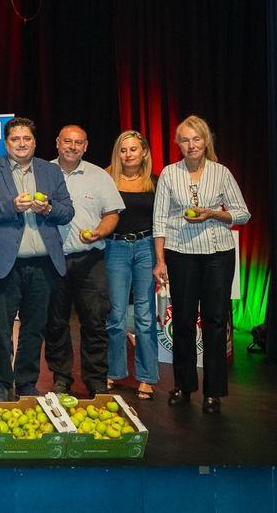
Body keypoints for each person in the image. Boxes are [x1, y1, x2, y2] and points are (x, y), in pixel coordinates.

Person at [153, 115, 250, 414]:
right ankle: (183, 386)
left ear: (206, 141)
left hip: (218, 255)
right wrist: (160, 260)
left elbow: (243, 214)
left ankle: (214, 392)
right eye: (185, 139)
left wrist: (213, 214)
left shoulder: (221, 173)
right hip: (180, 254)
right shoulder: (169, 173)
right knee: (182, 321)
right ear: (177, 144)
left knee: (215, 322)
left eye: (196, 139)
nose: (191, 144)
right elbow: (159, 220)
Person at [0, 117, 74, 401]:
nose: (21, 144)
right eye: (15, 139)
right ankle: (0, 381)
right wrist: (11, 207)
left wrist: (48, 208)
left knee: (35, 327)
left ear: (35, 142)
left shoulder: (50, 171)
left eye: (26, 139)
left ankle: (27, 381)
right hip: (6, 263)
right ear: (6, 143)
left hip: (44, 264)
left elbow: (67, 211)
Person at [45, 125, 123, 397]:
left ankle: (96, 379)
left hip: (91, 260)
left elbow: (112, 214)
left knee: (95, 321)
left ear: (86, 146)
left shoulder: (99, 176)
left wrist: (100, 231)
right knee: (55, 323)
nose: (72, 147)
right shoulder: (43, 172)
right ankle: (61, 377)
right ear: (57, 142)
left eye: (78, 143)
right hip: (53, 260)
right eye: (67, 141)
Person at [105, 130, 160, 400]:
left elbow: (162, 223)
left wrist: (163, 259)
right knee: (115, 314)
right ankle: (114, 371)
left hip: (146, 248)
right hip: (114, 247)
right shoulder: (106, 178)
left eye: (133, 149)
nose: (128, 155)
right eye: (123, 150)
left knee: (145, 315)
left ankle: (147, 377)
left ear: (144, 153)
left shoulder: (155, 182)